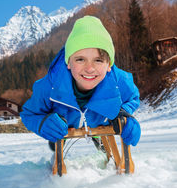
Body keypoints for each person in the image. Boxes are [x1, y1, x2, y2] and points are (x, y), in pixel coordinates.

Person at [20, 15, 141, 151]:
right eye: (80, 60)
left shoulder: (120, 81)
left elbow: (133, 98)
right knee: (55, 128)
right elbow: (29, 114)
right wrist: (43, 123)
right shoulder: (49, 86)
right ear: (68, 63)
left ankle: (98, 138)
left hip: (99, 119)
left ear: (109, 65)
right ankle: (55, 135)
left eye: (98, 60)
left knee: (104, 116)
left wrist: (124, 113)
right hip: (65, 123)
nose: (89, 68)